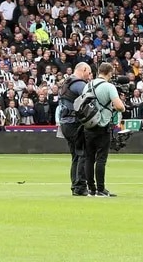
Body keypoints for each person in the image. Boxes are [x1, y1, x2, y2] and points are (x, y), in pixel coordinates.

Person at [79, 60, 124, 197]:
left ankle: (91, 188)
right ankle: (101, 188)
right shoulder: (109, 87)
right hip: (103, 125)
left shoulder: (87, 86)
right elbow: (119, 106)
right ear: (109, 73)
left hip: (88, 125)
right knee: (101, 159)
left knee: (89, 158)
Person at [59, 62, 92, 196]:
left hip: (65, 123)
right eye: (89, 73)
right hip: (75, 123)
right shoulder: (79, 84)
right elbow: (90, 98)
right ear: (83, 69)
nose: (89, 77)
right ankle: (80, 186)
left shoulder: (66, 82)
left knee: (75, 156)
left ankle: (75, 185)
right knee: (83, 154)